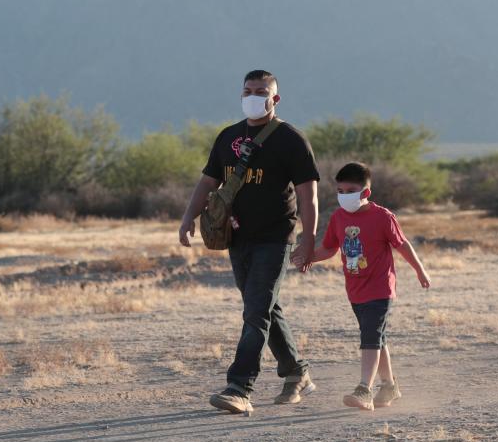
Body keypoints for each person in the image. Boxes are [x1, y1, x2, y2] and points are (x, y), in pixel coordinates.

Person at [179, 69, 319, 414]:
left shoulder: (291, 140)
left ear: (275, 97)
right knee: (264, 308)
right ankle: (296, 372)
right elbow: (207, 183)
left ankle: (240, 386)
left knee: (255, 310)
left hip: (275, 237)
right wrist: (188, 218)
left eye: (261, 91)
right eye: (248, 90)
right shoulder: (227, 137)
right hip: (237, 236)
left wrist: (309, 238)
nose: (253, 96)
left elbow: (308, 196)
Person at [299, 161, 431, 410]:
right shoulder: (339, 217)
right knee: (376, 337)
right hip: (355, 290)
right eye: (340, 191)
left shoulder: (382, 216)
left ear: (365, 192)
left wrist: (419, 270)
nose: (344, 196)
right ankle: (389, 386)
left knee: (370, 336)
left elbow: (402, 245)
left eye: (350, 191)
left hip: (380, 289)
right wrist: (308, 257)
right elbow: (329, 248)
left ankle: (364, 390)